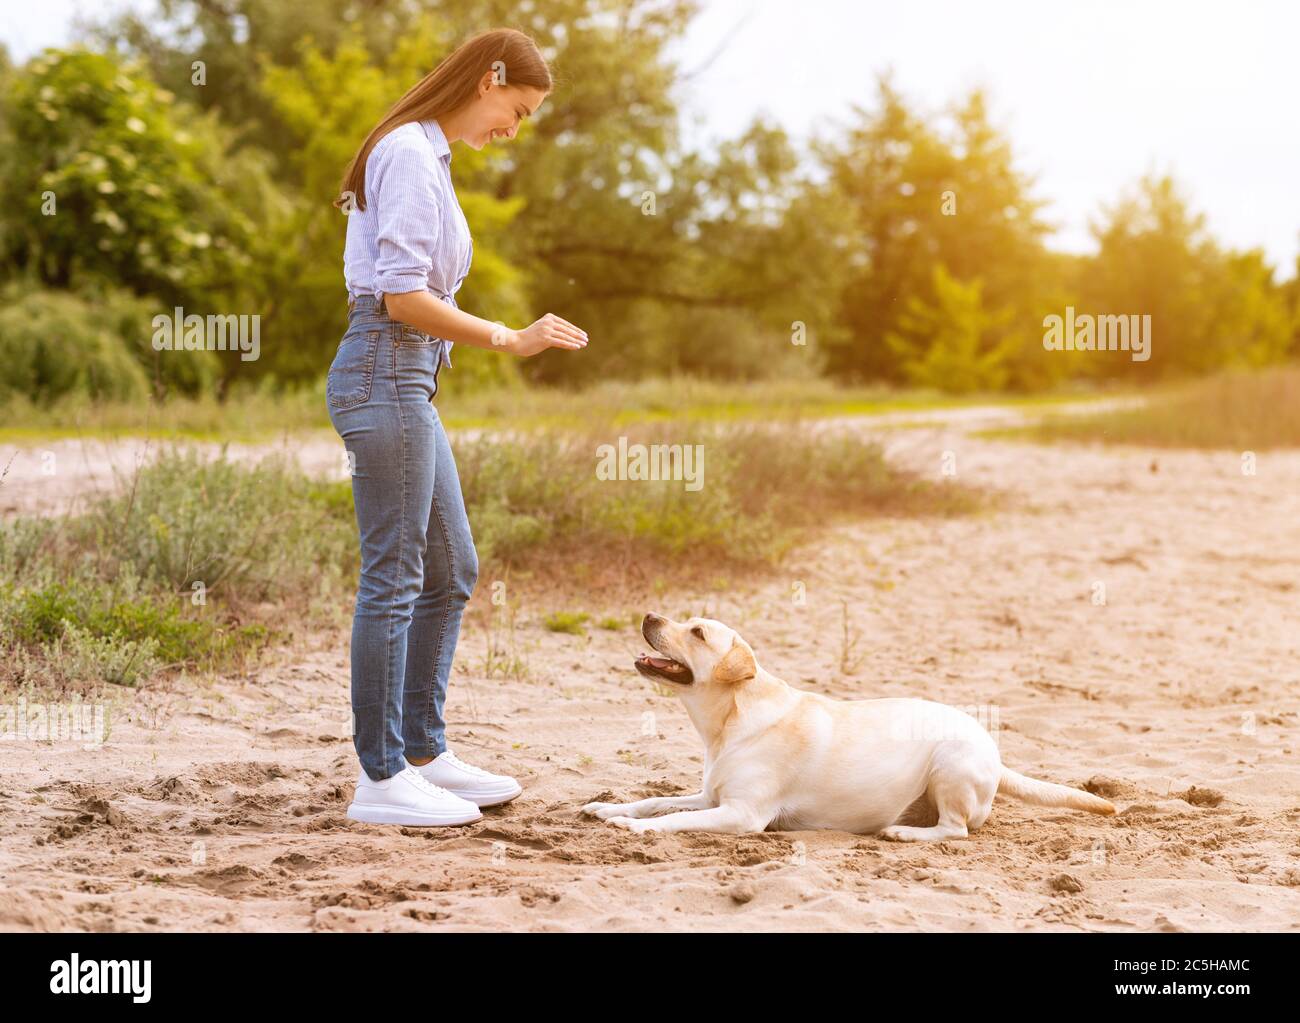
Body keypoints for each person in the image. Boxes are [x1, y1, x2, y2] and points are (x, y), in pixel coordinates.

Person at [327, 28, 587, 826]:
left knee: (451, 567)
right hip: (384, 369)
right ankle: (379, 779)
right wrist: (510, 337)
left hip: (408, 381)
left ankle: (422, 753)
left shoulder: (429, 156)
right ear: (488, 80)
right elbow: (402, 297)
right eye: (518, 108)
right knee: (396, 576)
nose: (516, 127)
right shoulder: (407, 151)